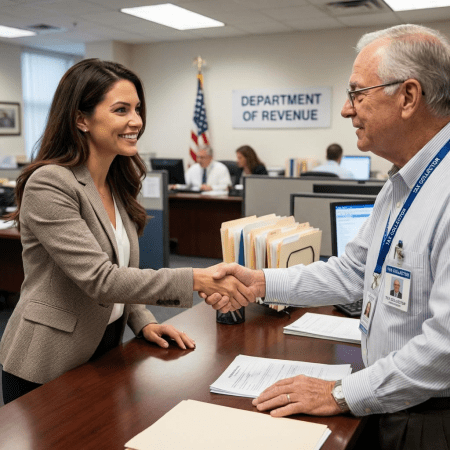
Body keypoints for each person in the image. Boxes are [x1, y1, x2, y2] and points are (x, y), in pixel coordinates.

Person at [204, 24, 450, 449]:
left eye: (358, 94)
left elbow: (445, 348)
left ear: (408, 96)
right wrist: (261, 282)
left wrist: (338, 393)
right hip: (391, 402)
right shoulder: (400, 184)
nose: (346, 110)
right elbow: (354, 270)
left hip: (429, 419)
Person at [0, 59, 253, 405]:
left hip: (104, 344)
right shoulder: (50, 183)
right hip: (47, 357)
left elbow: (124, 274)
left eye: (137, 109)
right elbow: (100, 279)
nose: (136, 120)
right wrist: (197, 278)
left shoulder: (116, 184)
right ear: (81, 119)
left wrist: (144, 320)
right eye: (121, 110)